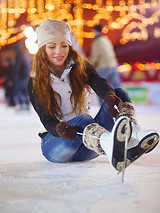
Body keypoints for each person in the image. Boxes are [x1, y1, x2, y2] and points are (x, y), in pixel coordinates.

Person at [27, 19, 159, 172]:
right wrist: (58, 128)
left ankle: (133, 136)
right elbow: (46, 118)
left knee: (119, 94)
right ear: (42, 49)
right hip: (57, 145)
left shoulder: (80, 67)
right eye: (52, 46)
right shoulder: (35, 82)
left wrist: (109, 97)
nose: (59, 51)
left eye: (64, 45)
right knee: (84, 119)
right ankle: (109, 145)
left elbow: (98, 82)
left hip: (90, 144)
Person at [90, 24, 121, 104]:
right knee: (116, 88)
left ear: (95, 30)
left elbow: (95, 55)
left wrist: (90, 65)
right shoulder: (106, 39)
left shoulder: (97, 41)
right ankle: (122, 104)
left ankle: (104, 107)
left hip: (103, 67)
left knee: (100, 88)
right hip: (113, 65)